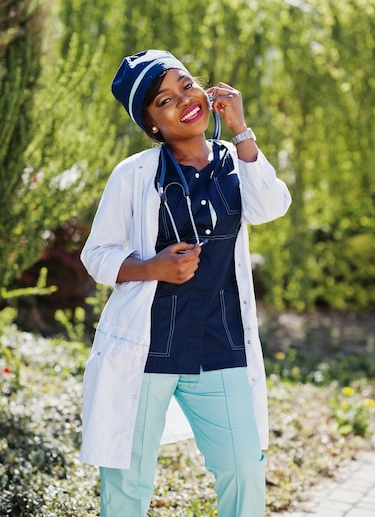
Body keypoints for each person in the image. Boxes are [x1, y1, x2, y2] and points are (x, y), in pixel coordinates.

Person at [79, 49, 291, 517]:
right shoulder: (132, 175)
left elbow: (272, 206)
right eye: (164, 100)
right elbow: (96, 256)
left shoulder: (234, 161)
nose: (183, 100)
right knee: (127, 484)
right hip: (147, 349)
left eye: (186, 85)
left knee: (243, 468)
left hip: (221, 344)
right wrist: (152, 267)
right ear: (151, 124)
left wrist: (242, 129)